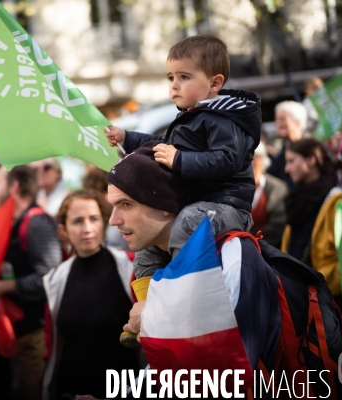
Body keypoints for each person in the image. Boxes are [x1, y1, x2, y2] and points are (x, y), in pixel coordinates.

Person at [105, 142, 281, 378]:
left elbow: (223, 375)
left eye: (126, 204)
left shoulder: (231, 258)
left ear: (163, 203)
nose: (113, 220)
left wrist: (153, 318)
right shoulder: (156, 257)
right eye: (113, 206)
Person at [105, 35, 259, 289]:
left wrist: (179, 159)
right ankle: (146, 304)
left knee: (186, 223)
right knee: (147, 246)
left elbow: (227, 160)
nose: (174, 85)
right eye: (170, 78)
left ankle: (180, 291)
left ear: (215, 83)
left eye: (184, 77)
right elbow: (159, 144)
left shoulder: (225, 118)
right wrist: (128, 138)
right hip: (198, 204)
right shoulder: (189, 119)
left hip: (227, 206)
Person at [42, 189, 139, 400]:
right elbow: (53, 345)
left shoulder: (130, 267)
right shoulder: (55, 279)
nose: (87, 228)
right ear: (63, 229)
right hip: (69, 391)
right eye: (77, 221)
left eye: (93, 219)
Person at [0, 165, 63, 400]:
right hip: (18, 335)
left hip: (36, 335)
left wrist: (1, 287)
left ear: (14, 186)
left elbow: (49, 278)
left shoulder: (36, 223)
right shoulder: (11, 222)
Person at [282, 138, 342, 309]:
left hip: (331, 304)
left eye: (291, 161)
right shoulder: (296, 201)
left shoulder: (339, 203)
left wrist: (320, 285)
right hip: (300, 300)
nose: (286, 169)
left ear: (311, 160)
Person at [250, 143, 288, 248]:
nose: (250, 163)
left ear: (263, 161)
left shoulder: (279, 188)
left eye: (254, 158)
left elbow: (278, 226)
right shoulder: (234, 188)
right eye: (246, 159)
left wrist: (248, 236)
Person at [267, 100, 308, 188]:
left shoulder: (310, 147)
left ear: (297, 123)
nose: (278, 123)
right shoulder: (282, 149)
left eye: (282, 119)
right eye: (276, 119)